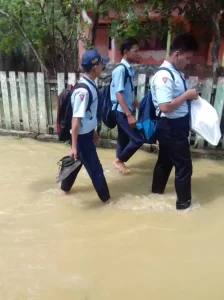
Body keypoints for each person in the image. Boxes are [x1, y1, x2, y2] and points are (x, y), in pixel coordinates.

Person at [151, 33, 199, 210]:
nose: (188, 62)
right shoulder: (165, 76)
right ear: (176, 54)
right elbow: (164, 106)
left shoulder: (174, 73)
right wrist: (187, 95)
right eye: (187, 58)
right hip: (171, 127)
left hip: (171, 127)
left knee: (165, 162)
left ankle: (155, 196)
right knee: (184, 167)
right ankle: (184, 206)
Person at [60, 49, 111, 203]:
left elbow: (89, 114)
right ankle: (107, 201)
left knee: (76, 164)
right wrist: (74, 146)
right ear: (95, 67)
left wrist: (93, 131)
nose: (103, 66)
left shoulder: (89, 85)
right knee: (96, 169)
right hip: (81, 138)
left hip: (86, 135)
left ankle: (63, 191)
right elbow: (76, 120)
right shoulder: (83, 90)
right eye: (101, 63)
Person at [110, 37, 144, 174]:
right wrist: (129, 115)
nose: (138, 54)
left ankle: (119, 166)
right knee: (138, 139)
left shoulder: (129, 70)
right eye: (135, 51)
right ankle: (119, 161)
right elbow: (118, 94)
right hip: (121, 111)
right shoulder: (120, 70)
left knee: (123, 139)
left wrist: (139, 106)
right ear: (126, 52)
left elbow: (129, 91)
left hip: (126, 110)